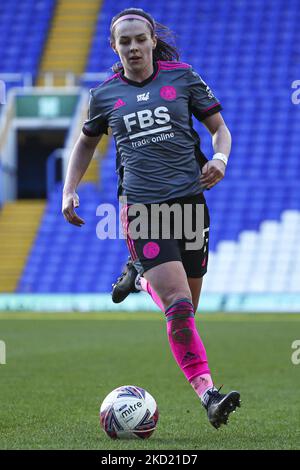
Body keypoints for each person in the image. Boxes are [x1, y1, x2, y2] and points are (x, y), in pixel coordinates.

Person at [62, 7, 241, 429]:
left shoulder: (182, 77)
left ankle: (140, 277)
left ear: (152, 41)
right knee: (178, 310)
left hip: (190, 206)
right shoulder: (104, 95)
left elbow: (220, 129)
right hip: (141, 210)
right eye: (124, 41)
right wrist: (70, 189)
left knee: (189, 310)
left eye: (140, 39)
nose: (133, 47)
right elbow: (85, 144)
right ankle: (210, 396)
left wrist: (220, 158)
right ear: (114, 46)